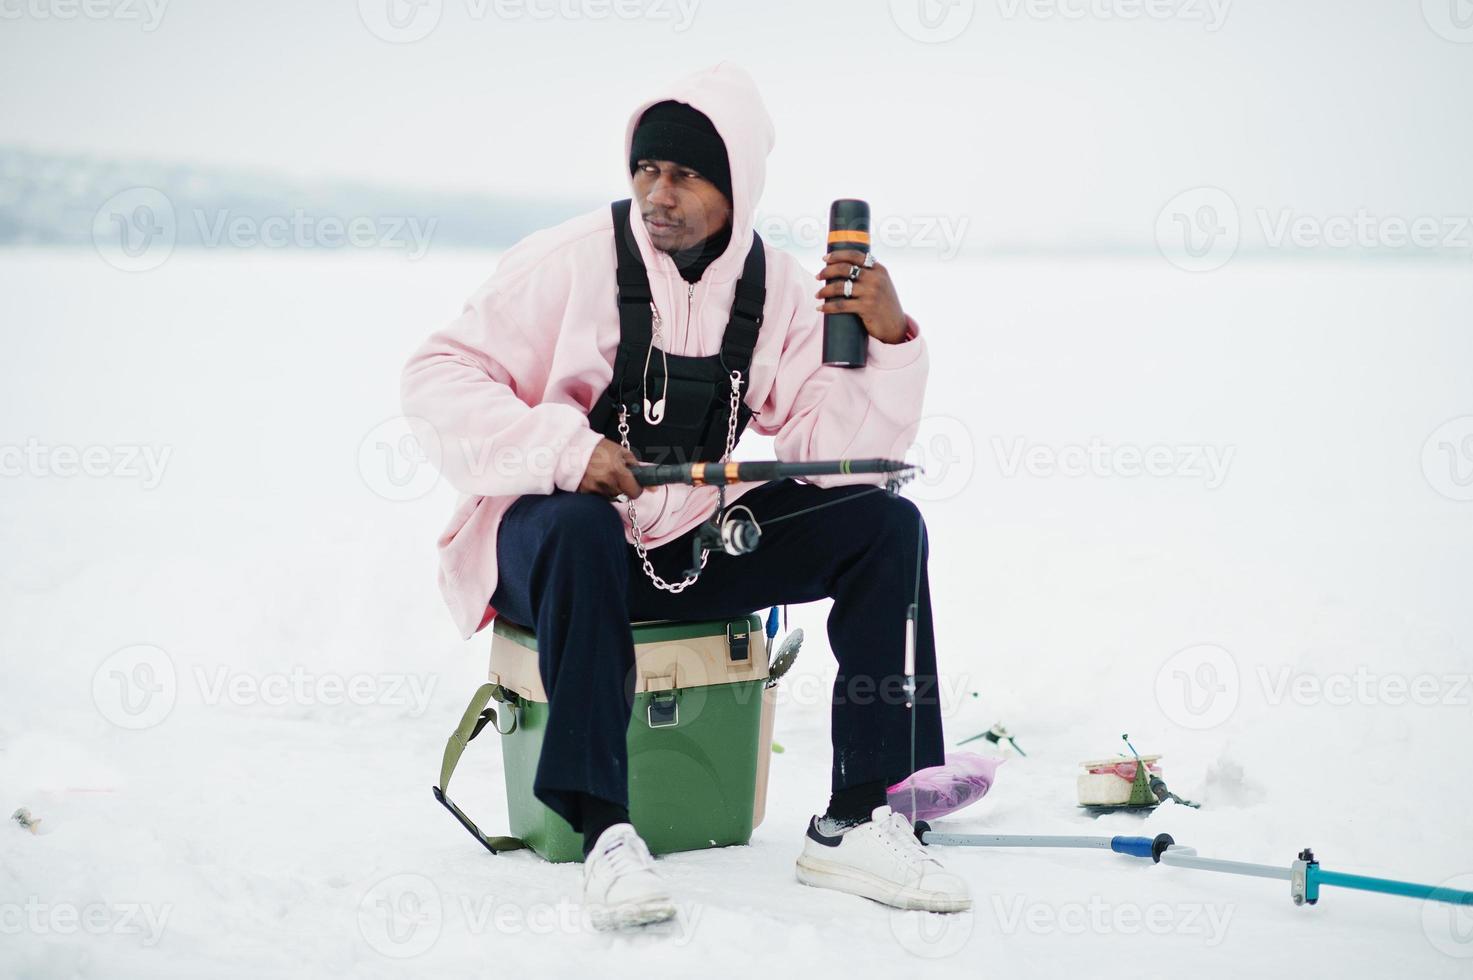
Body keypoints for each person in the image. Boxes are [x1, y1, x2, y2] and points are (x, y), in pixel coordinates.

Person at [400, 61, 970, 929]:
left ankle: (859, 816)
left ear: (735, 183)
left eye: (684, 174)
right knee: (579, 527)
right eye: (646, 170)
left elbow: (832, 455)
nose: (657, 194)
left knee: (884, 525)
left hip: (688, 541)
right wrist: (565, 448)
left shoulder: (775, 289)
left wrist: (887, 340)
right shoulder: (568, 261)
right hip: (550, 551)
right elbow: (437, 377)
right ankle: (605, 834)